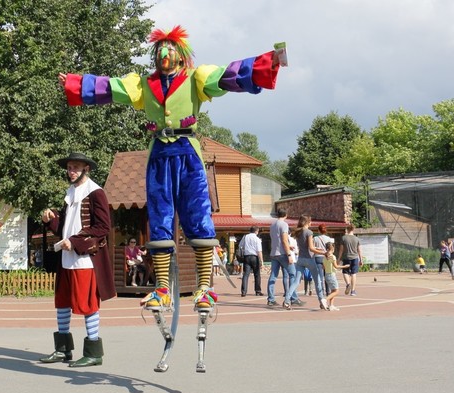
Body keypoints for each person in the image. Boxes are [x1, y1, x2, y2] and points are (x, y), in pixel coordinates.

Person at [59, 25, 285, 314]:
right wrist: (77, 84)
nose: (164, 54)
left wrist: (267, 62)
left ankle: (204, 287)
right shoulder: (143, 84)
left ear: (180, 55)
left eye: (170, 49)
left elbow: (228, 75)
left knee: (197, 215)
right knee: (160, 217)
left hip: (188, 153)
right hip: (159, 156)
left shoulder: (195, 78)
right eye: (160, 50)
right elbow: (111, 87)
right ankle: (163, 288)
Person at [39, 153, 114, 368]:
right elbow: (65, 226)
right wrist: (51, 219)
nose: (71, 171)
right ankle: (63, 350)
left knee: (88, 303)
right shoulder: (70, 192)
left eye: (76, 168)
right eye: (69, 167)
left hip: (85, 259)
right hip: (67, 257)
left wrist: (74, 242)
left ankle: (93, 352)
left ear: (86, 169)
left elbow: (103, 227)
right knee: (62, 302)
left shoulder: (96, 192)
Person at [290, 215, 328, 310]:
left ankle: (287, 300)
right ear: (307, 222)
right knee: (317, 281)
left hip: (300, 259)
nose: (311, 223)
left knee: (296, 281)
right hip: (309, 259)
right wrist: (323, 252)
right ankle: (321, 300)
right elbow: (311, 248)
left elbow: (307, 246)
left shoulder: (298, 232)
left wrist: (316, 248)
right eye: (310, 221)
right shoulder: (309, 232)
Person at [267, 208, 296, 308]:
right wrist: (289, 254)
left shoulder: (272, 225)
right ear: (286, 215)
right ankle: (291, 298)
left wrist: (287, 246)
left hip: (274, 253)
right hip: (283, 253)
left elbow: (276, 240)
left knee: (273, 276)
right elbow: (284, 240)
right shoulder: (284, 225)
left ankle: (271, 299)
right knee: (293, 274)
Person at [238, 226, 263, 297]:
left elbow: (240, 246)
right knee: (257, 274)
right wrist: (261, 261)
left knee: (245, 275)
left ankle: (243, 291)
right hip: (255, 257)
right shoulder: (257, 239)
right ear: (256, 231)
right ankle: (258, 291)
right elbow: (259, 251)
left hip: (246, 256)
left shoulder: (245, 237)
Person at [338, 225, 364, 297]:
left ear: (347, 229)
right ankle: (353, 291)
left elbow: (341, 250)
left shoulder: (343, 238)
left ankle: (348, 284)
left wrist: (338, 259)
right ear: (353, 229)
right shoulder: (357, 239)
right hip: (355, 258)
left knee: (345, 272)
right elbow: (359, 250)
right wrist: (361, 259)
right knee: (353, 273)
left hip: (346, 257)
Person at [323, 243, 349, 311]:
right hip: (332, 275)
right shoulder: (333, 257)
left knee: (333, 290)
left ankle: (331, 305)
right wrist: (345, 266)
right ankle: (325, 300)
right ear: (332, 249)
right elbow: (336, 266)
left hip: (326, 274)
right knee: (337, 291)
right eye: (332, 249)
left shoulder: (324, 257)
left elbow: (323, 267)